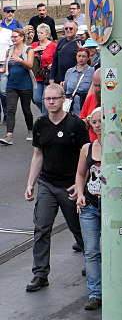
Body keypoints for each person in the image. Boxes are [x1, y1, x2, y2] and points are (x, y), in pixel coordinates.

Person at [24, 83, 89, 293]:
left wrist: (80, 185)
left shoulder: (75, 125)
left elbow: (86, 155)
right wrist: (30, 183)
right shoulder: (40, 125)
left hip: (69, 186)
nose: (51, 102)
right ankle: (40, 274)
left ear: (63, 99)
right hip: (46, 184)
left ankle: (93, 261)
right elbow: (38, 155)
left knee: (77, 227)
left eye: (55, 98)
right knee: (41, 228)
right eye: (47, 99)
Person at [73, 107, 104, 310]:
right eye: (94, 122)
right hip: (90, 206)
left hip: (114, 207)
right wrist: (80, 194)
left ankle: (117, 284)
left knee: (115, 250)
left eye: (102, 120)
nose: (99, 124)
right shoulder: (87, 148)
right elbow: (81, 174)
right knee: (91, 251)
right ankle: (95, 293)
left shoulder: (120, 145)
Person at [2, 29, 35, 143]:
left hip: (25, 85)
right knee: (10, 109)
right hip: (11, 85)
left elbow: (30, 65)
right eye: (12, 37)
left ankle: (30, 130)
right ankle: (9, 135)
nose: (13, 39)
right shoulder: (9, 50)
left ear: (22, 37)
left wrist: (20, 60)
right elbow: (5, 68)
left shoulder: (29, 50)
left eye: (15, 37)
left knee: (26, 109)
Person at [31, 24, 56, 114]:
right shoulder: (34, 45)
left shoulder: (53, 46)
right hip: (37, 76)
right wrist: (34, 50)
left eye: (41, 33)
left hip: (48, 76)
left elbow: (57, 59)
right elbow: (26, 55)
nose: (39, 35)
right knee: (36, 99)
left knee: (45, 99)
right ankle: (46, 114)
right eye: (38, 33)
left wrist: (53, 64)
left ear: (47, 34)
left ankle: (45, 119)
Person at [62, 47, 94, 116]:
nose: (81, 58)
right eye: (79, 56)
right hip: (70, 104)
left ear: (88, 58)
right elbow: (65, 89)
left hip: (84, 103)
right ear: (76, 57)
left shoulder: (92, 71)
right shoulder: (69, 71)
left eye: (84, 56)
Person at [49, 20, 83, 85]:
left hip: (74, 79)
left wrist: (81, 50)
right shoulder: (60, 42)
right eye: (66, 28)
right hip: (59, 79)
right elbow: (55, 60)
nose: (68, 30)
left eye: (71, 28)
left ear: (76, 30)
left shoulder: (81, 42)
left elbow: (85, 62)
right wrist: (51, 77)